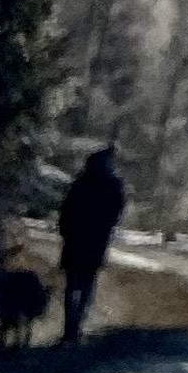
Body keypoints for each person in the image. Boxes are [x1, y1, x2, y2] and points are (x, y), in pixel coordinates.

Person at [58, 143, 124, 347]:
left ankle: (70, 328)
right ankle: (77, 326)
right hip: (95, 241)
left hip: (76, 241)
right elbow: (116, 213)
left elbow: (65, 212)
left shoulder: (81, 184)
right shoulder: (112, 186)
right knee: (86, 284)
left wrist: (66, 232)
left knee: (72, 286)